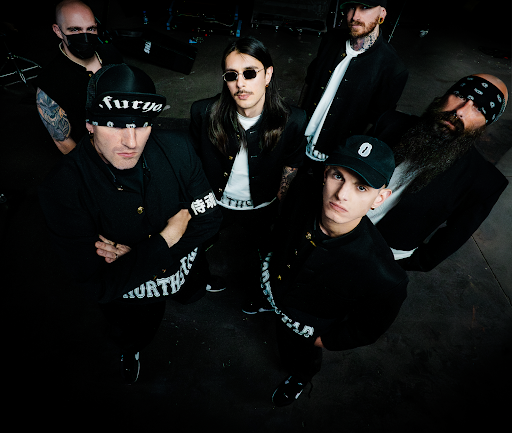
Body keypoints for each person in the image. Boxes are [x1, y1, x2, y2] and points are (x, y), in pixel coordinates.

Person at [38, 63, 222, 383]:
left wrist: (138, 259)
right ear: (90, 124)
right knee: (132, 329)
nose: (131, 141)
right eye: (115, 125)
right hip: (132, 297)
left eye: (141, 124)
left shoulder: (178, 148)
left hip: (184, 268)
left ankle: (193, 288)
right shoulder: (63, 188)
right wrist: (168, 237)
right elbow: (97, 285)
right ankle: (132, 348)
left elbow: (210, 220)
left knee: (192, 288)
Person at [260, 135, 408, 406]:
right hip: (276, 289)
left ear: (380, 198)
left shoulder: (384, 275)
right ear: (325, 173)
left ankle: (300, 376)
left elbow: (367, 329)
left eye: (361, 187)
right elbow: (281, 232)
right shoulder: (302, 194)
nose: (341, 195)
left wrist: (323, 341)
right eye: (338, 176)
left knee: (298, 356)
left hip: (307, 327)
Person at [189, 36, 307, 310]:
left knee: (269, 254)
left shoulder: (293, 120)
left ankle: (265, 296)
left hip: (263, 207)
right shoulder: (203, 112)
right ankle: (197, 281)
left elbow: (291, 168)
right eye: (232, 75)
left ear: (268, 75)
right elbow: (191, 163)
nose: (240, 84)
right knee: (195, 245)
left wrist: (281, 213)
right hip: (214, 203)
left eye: (250, 73)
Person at [367, 73, 509, 271]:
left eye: (479, 108)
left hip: (380, 259)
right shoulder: (389, 122)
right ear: (445, 95)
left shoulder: (485, 181)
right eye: (461, 96)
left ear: (485, 124)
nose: (460, 111)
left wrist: (403, 262)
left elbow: (452, 237)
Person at [299, 0, 408, 177]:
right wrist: (296, 123)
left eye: (365, 8)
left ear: (382, 14)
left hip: (336, 158)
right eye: (351, 7)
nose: (355, 16)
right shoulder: (331, 39)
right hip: (299, 143)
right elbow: (309, 82)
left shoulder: (393, 68)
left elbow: (375, 124)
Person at [36, 0, 123, 154]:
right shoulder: (50, 81)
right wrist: (92, 164)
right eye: (75, 30)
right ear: (58, 31)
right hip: (93, 153)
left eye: (91, 29)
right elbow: (63, 141)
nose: (85, 36)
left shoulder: (110, 54)